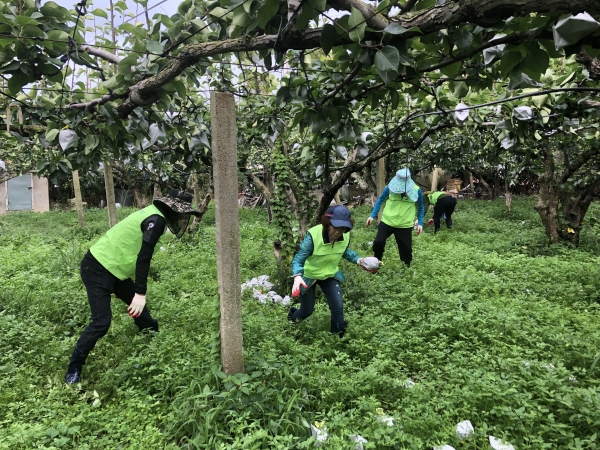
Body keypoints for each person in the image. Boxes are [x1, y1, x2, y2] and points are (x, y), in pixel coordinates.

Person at [64, 190, 200, 384]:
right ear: (172, 209)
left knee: (143, 314)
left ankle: (154, 346)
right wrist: (140, 292)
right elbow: (143, 259)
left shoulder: (153, 214)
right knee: (101, 322)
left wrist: (137, 296)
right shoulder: (156, 220)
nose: (182, 218)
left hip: (116, 271)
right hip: (97, 268)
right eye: (181, 213)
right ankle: (74, 368)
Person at [287, 205, 377, 337]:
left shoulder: (345, 236)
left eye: (343, 228)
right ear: (327, 223)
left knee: (338, 307)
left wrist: (359, 260)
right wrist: (297, 276)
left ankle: (337, 338)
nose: (338, 232)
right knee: (307, 310)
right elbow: (298, 259)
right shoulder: (313, 236)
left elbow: (344, 251)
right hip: (309, 275)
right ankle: (291, 321)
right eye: (335, 227)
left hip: (330, 274)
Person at [366, 168, 424, 267]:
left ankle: (406, 269)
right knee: (378, 242)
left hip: (405, 224)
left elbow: (421, 208)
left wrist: (420, 223)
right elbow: (380, 200)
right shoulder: (390, 188)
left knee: (406, 250)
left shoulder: (416, 190)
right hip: (387, 221)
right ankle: (377, 262)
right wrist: (372, 215)